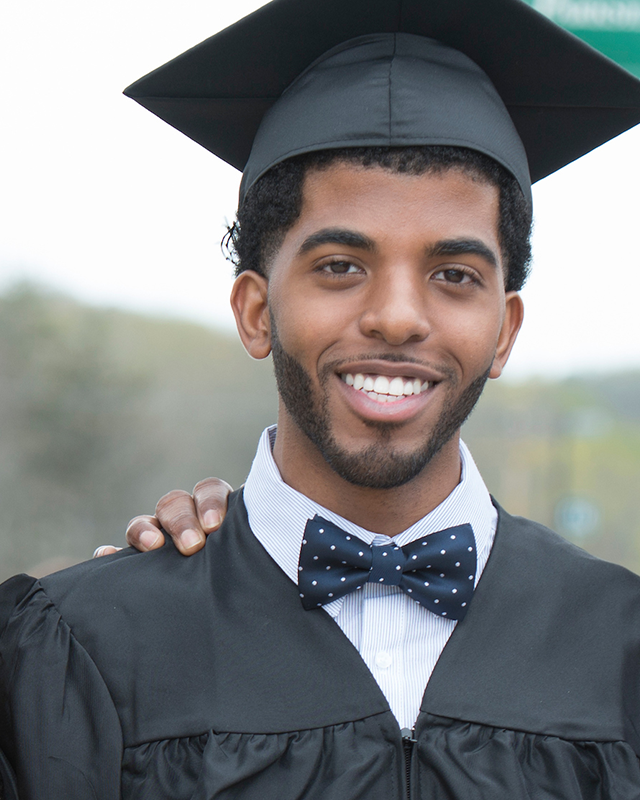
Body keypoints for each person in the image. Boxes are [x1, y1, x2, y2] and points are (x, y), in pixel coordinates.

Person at [3, 1, 640, 797]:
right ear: (256, 311)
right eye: (340, 266)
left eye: (455, 276)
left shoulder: (621, 646)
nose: (398, 317)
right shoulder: (88, 646)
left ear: (505, 330)